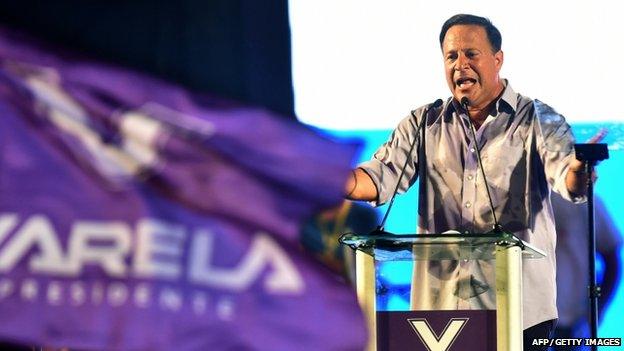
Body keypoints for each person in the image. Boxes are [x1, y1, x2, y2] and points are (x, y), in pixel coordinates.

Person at [344, 14, 599, 350]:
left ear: (497, 59)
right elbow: (377, 179)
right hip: (439, 316)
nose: (460, 65)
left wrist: (582, 166)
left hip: (519, 314)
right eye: (451, 57)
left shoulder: (538, 119)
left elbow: (568, 177)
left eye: (471, 54)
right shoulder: (424, 122)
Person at [552, 192, 622, 349]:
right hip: (529, 319)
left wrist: (596, 313)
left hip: (572, 322)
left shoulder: (590, 204)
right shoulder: (522, 202)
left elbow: (612, 260)